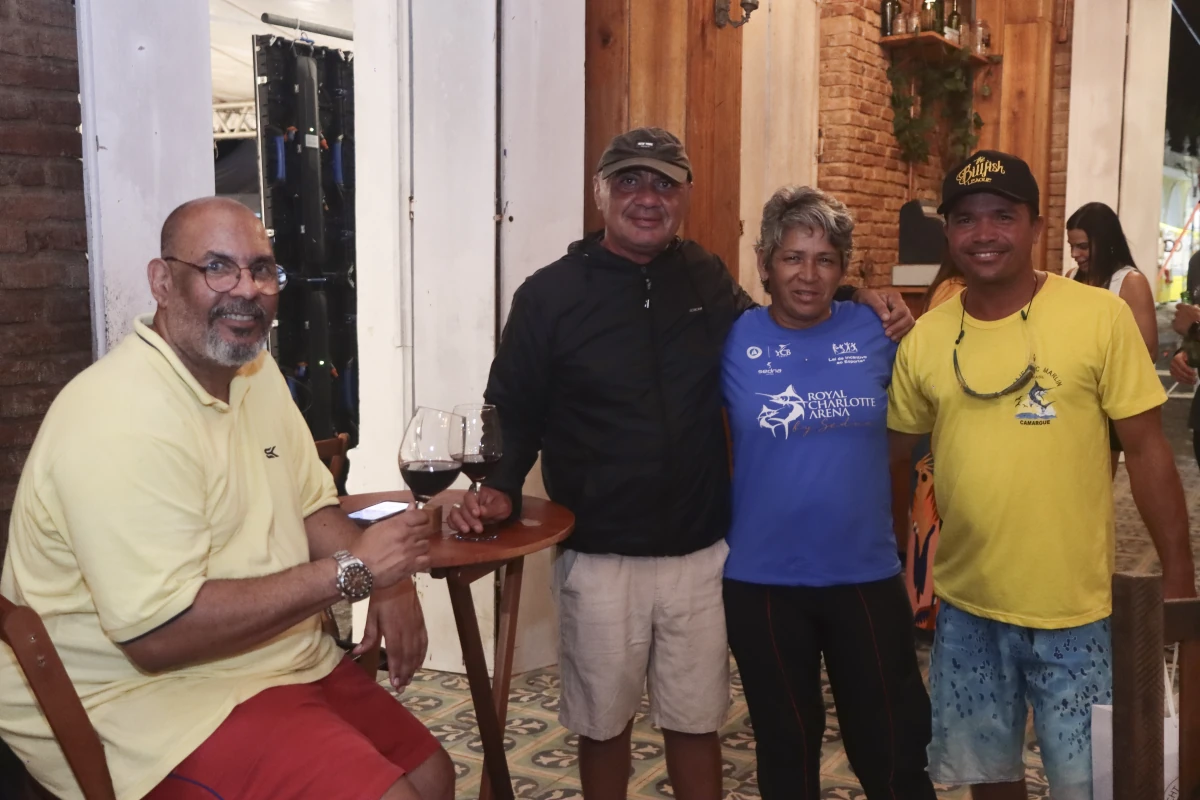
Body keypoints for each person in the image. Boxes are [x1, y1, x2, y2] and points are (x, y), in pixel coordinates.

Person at [447, 127, 914, 800]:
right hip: (600, 553)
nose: (647, 197)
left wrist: (858, 296)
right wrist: (499, 485)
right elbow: (513, 407)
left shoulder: (704, 276)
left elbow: (783, 318)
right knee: (603, 725)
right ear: (600, 192)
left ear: (686, 196)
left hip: (700, 553)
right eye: (630, 181)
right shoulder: (548, 295)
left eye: (664, 184)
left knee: (697, 722)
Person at [0, 198, 453, 800]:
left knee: (433, 775)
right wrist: (354, 572)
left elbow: (312, 510)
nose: (246, 289)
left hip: (268, 661)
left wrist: (389, 583)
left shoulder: (256, 375)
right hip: (141, 702)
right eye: (217, 267)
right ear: (163, 282)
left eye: (261, 269)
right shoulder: (117, 417)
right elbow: (158, 637)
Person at [888, 150, 1196, 800]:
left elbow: (1147, 452)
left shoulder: (1098, 317)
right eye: (966, 219)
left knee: (1090, 785)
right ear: (949, 232)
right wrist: (894, 568)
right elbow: (895, 458)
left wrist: (1178, 577)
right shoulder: (927, 337)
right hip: (966, 607)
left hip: (1076, 610)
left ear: (1036, 225)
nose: (984, 233)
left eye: (1003, 215)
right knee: (989, 777)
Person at [720, 185, 936, 799]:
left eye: (825, 260)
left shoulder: (878, 328)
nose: (808, 275)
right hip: (762, 581)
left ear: (843, 269)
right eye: (792, 257)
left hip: (864, 576)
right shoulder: (731, 338)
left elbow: (917, 424)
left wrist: (869, 297)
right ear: (765, 263)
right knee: (786, 752)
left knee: (892, 751)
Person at [1066, 201, 1158, 474]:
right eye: (1072, 246)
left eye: (1082, 246)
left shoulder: (1129, 282)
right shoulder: (1070, 278)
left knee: (1096, 480)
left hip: (1107, 401)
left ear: (1105, 241)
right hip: (1069, 394)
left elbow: (1147, 352)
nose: (1074, 254)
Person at [905, 253, 965, 636]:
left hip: (934, 428)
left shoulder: (949, 285)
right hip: (938, 429)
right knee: (932, 525)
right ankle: (929, 612)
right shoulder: (955, 291)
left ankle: (928, 609)